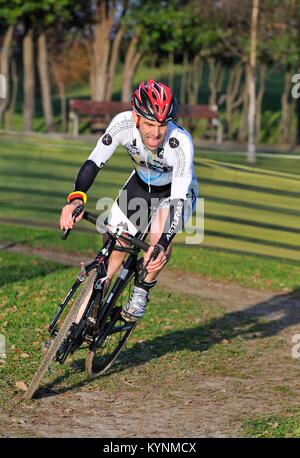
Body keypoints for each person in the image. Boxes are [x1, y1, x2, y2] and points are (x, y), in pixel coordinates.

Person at [60, 79, 199, 322]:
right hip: (141, 185)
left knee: (157, 240)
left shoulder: (181, 143)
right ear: (135, 116)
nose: (155, 133)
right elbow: (94, 162)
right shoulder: (122, 124)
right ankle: (75, 325)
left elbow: (178, 199)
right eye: (148, 124)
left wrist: (164, 242)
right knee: (113, 251)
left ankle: (143, 287)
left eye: (161, 125)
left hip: (175, 193)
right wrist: (75, 200)